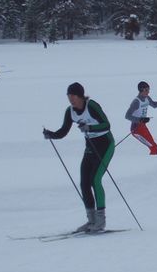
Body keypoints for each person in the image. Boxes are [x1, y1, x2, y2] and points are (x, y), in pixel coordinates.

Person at [42, 83, 115, 232]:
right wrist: (51, 134)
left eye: (73, 96)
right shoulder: (70, 112)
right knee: (84, 183)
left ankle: (100, 222)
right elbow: (63, 131)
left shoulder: (92, 106)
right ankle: (91, 221)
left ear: (80, 95)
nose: (71, 100)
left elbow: (107, 125)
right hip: (90, 147)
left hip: (105, 145)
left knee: (95, 180)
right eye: (69, 97)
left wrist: (90, 128)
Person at [125, 81, 157, 155]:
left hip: (143, 126)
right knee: (154, 147)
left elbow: (154, 105)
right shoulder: (136, 102)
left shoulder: (147, 98)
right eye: (146, 90)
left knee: (154, 146)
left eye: (149, 89)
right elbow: (127, 116)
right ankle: (153, 163)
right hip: (136, 129)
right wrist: (140, 119)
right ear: (141, 90)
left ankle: (154, 161)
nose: (148, 92)